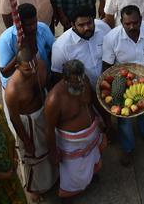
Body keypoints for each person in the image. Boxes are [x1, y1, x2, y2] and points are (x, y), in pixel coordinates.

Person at [101, 5, 144, 164]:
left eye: (135, 23)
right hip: (122, 81)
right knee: (124, 118)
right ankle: (128, 148)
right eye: (127, 24)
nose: (132, 27)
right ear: (121, 22)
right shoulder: (111, 38)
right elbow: (107, 66)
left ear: (141, 20)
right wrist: (110, 89)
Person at [44, 60, 104, 197]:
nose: (80, 83)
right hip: (71, 146)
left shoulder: (85, 81)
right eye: (75, 82)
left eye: (81, 79)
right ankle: (69, 196)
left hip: (92, 138)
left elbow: (93, 101)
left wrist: (104, 121)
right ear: (65, 80)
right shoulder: (54, 99)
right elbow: (49, 130)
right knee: (73, 177)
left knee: (93, 161)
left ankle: (90, 177)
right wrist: (53, 153)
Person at [3, 46, 54, 200]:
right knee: (32, 157)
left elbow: (47, 86)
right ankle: (33, 189)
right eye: (27, 70)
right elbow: (15, 119)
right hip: (29, 122)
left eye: (34, 66)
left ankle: (52, 179)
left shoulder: (41, 66)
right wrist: (26, 140)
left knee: (50, 147)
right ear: (17, 67)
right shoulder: (12, 91)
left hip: (44, 111)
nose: (32, 71)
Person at [0, 0, 56, 84]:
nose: (33, 27)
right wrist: (20, 53)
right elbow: (5, 73)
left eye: (34, 22)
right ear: (19, 24)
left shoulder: (43, 28)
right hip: (18, 86)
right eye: (28, 25)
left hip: (42, 77)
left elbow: (55, 49)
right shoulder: (5, 40)